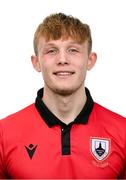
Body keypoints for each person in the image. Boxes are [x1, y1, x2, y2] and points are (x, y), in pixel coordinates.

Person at [0, 12, 126, 179]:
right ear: (36, 62)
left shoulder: (122, 132)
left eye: (73, 50)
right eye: (51, 51)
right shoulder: (4, 133)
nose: (62, 59)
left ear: (90, 60)